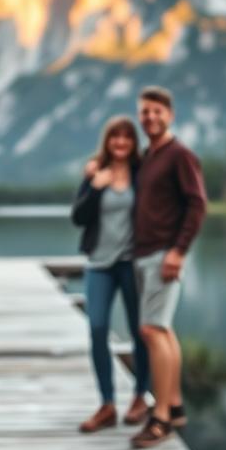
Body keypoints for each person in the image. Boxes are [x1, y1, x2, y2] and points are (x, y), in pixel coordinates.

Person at [129, 85, 207, 449]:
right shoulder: (148, 156)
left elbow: (197, 205)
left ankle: (159, 418)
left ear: (170, 115)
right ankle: (174, 405)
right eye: (145, 112)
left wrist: (178, 251)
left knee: (150, 330)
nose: (150, 117)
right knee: (162, 329)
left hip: (164, 254)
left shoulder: (180, 155)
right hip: (145, 252)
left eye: (157, 111)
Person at [71, 116, 150, 433]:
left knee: (139, 330)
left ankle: (140, 398)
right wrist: (93, 187)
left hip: (131, 264)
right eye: (115, 137)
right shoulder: (95, 173)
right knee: (97, 327)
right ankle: (106, 404)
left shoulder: (140, 174)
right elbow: (78, 217)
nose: (120, 143)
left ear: (133, 143)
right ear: (107, 141)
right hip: (99, 265)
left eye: (127, 137)